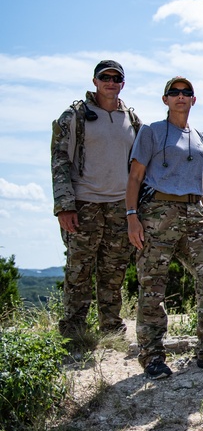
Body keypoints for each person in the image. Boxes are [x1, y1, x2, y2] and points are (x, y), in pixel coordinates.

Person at [125, 77, 203, 379]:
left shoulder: (202, 138)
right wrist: (132, 216)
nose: (181, 97)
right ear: (165, 99)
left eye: (186, 93)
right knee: (153, 285)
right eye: (175, 93)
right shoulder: (151, 132)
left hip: (194, 211)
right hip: (158, 210)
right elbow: (134, 177)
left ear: (194, 100)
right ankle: (153, 356)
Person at [51, 60, 141, 347]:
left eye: (117, 78)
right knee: (79, 269)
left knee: (113, 270)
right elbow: (60, 162)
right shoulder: (74, 116)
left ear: (122, 83)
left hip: (119, 205)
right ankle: (73, 331)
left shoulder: (132, 119)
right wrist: (65, 206)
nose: (111, 82)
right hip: (84, 204)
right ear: (95, 80)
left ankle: (111, 329)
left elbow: (140, 168)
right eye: (106, 77)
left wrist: (136, 210)